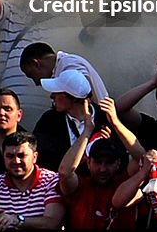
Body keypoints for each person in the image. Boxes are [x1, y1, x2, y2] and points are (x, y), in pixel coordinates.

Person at [59, 97, 138, 230]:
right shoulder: (79, 187)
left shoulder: (125, 183)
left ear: (118, 163)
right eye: (98, 162)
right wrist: (87, 131)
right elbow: (65, 173)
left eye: (109, 163)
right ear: (88, 162)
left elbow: (140, 158)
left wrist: (115, 122)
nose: (102, 169)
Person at [0, 131, 63, 230]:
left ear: (34, 157)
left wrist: (18, 220)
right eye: (10, 156)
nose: (16, 161)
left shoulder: (51, 181)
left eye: (21, 156)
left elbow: (52, 223)